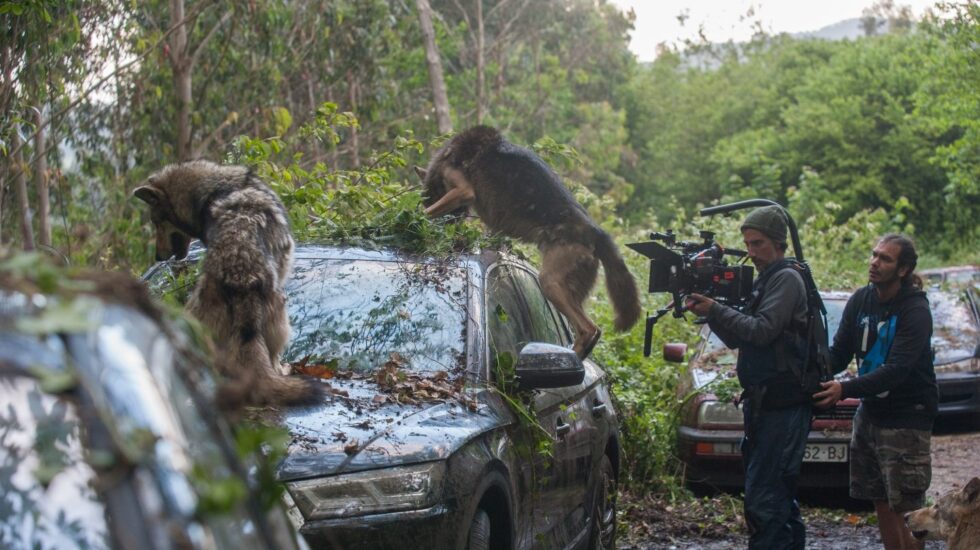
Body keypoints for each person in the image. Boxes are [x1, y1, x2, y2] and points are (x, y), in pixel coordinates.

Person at [686, 205, 811, 550]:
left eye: (758, 244)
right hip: (765, 405)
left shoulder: (786, 278)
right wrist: (710, 314)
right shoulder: (768, 279)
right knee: (776, 499)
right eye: (748, 244)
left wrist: (716, 308)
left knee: (765, 501)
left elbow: (762, 331)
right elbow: (741, 339)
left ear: (777, 242)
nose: (751, 252)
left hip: (783, 406)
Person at [813, 234, 936, 550]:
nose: (874, 262)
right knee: (880, 500)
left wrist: (844, 389)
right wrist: (806, 364)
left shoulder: (915, 311)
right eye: (874, 255)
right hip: (870, 414)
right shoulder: (861, 300)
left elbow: (896, 370)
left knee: (907, 508)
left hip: (907, 417)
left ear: (903, 269)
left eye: (885, 259)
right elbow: (839, 354)